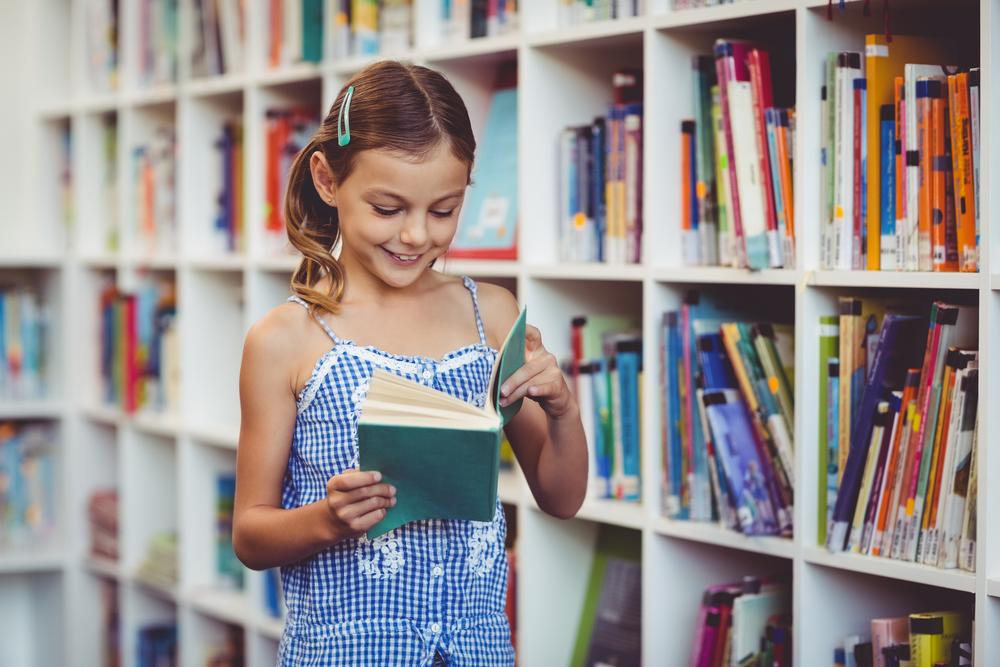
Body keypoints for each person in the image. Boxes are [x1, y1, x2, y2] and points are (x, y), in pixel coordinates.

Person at [233, 60, 588, 666]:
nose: (417, 236)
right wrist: (328, 519)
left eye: (444, 211)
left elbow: (561, 497)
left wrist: (562, 410)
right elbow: (250, 534)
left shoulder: (492, 316)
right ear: (327, 179)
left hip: (479, 650)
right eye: (388, 208)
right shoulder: (285, 339)